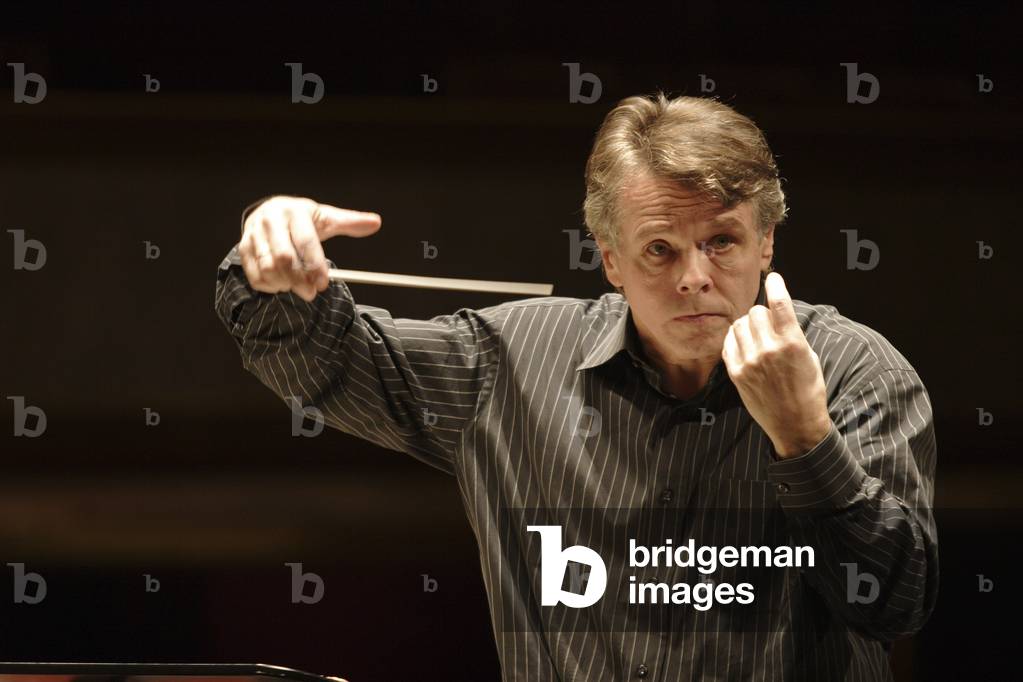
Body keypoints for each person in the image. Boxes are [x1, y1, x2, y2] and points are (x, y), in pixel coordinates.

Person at [214, 93, 938, 681]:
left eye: (721, 241)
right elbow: (321, 364)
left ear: (766, 241)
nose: (694, 275)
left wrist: (803, 437)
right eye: (659, 249)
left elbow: (895, 605)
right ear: (612, 261)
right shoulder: (512, 362)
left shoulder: (855, 371)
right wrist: (268, 258)